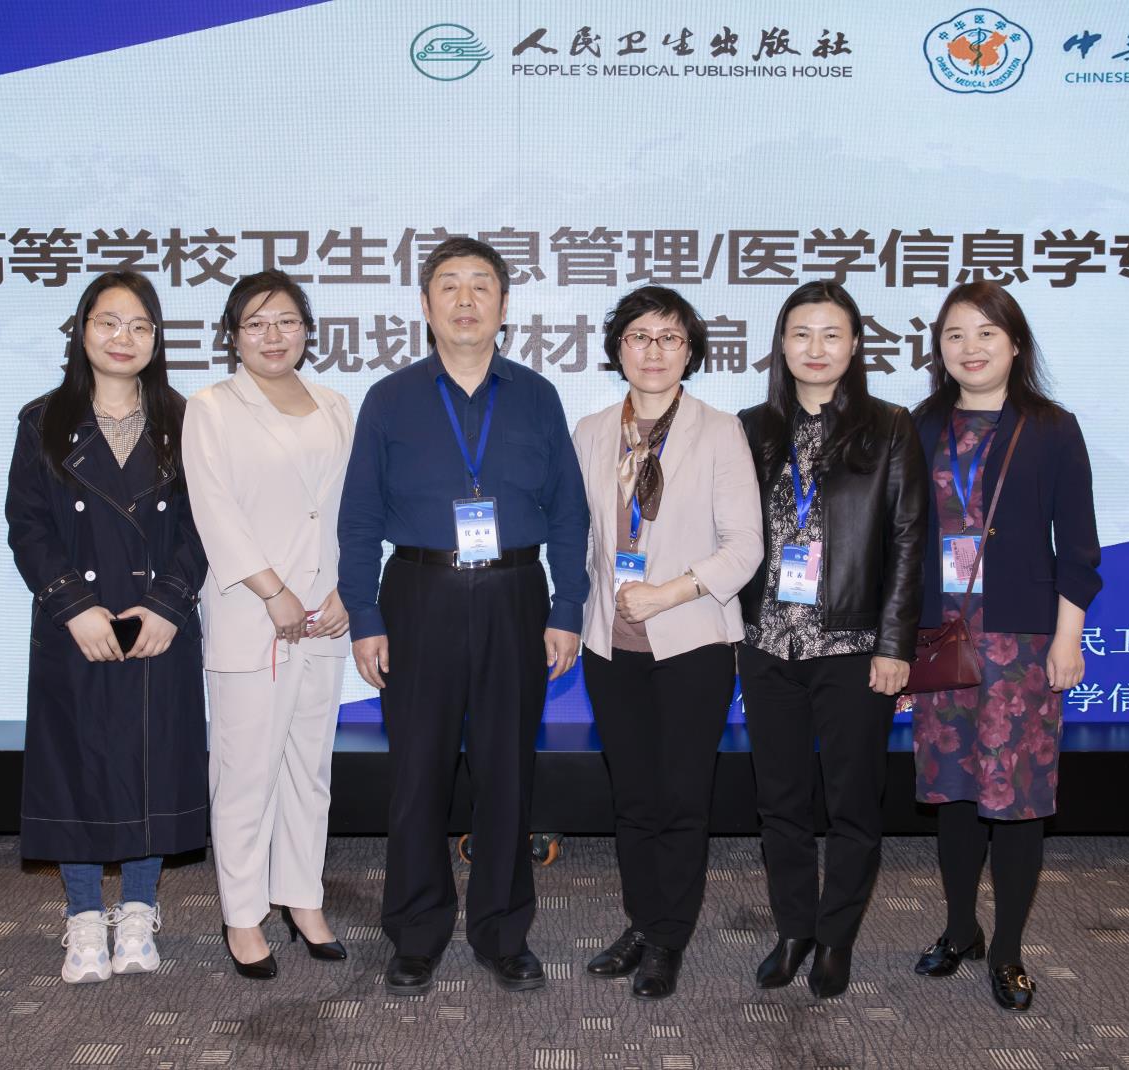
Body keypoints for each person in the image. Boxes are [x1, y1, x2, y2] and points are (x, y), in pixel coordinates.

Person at [337, 237, 590, 995]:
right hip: (419, 595)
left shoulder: (537, 396)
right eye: (449, 285)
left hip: (516, 595)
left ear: (504, 306)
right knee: (417, 775)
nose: (466, 299)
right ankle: (416, 933)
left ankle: (502, 931)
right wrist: (364, 615)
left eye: (482, 285)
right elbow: (358, 519)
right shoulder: (390, 398)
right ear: (425, 305)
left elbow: (569, 514)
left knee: (506, 773)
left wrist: (567, 607)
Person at [4, 270, 208, 985]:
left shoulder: (188, 420)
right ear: (82, 330)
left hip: (156, 623)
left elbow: (208, 524)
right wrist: (73, 606)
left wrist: (170, 603)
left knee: (154, 766)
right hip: (77, 627)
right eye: (109, 322)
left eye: (140, 325)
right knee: (78, 768)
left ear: (157, 339)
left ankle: (141, 910)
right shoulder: (42, 420)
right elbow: (27, 525)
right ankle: (85, 916)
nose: (124, 338)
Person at [908, 281, 1099, 1013]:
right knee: (954, 793)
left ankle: (1010, 951)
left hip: (1022, 645)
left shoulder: (1051, 428)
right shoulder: (920, 426)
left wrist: (1067, 638)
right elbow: (902, 543)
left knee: (1017, 801)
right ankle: (961, 929)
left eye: (987, 333)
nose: (971, 347)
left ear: (1015, 344)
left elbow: (1078, 547)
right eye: (955, 334)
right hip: (942, 637)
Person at [736, 281, 927, 998]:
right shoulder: (752, 428)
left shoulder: (890, 426)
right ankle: (793, 929)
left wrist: (895, 644)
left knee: (852, 803)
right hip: (767, 644)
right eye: (801, 334)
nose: (815, 349)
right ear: (781, 346)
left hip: (853, 647)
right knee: (779, 802)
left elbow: (908, 541)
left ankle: (836, 938)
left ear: (854, 345)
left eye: (831, 334)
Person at [572, 286, 761, 1000]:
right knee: (633, 798)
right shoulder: (593, 431)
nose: (653, 351)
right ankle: (642, 920)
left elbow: (744, 548)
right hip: (610, 645)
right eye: (639, 336)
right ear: (618, 348)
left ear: (690, 352)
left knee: (682, 798)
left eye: (670, 338)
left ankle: (668, 938)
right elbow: (579, 538)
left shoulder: (719, 431)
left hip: (692, 643)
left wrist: (667, 592)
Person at [183, 270, 353, 980]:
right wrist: (272, 590)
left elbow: (350, 509)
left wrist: (347, 589)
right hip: (254, 615)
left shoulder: (336, 405)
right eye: (255, 324)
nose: (273, 336)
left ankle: (303, 899)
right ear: (233, 336)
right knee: (246, 772)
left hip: (326, 616)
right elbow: (214, 511)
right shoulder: (211, 409)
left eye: (286, 321)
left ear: (307, 330)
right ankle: (244, 914)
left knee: (309, 770)